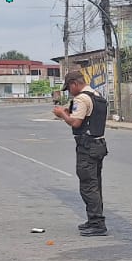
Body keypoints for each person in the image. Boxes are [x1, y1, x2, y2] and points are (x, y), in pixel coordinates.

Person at [53, 68, 108, 236]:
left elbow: (76, 123)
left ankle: (97, 223)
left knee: (88, 185)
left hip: (87, 146)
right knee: (95, 184)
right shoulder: (97, 95)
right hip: (99, 143)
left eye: (69, 88)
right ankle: (94, 220)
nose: (69, 92)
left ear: (74, 84)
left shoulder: (82, 98)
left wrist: (62, 114)